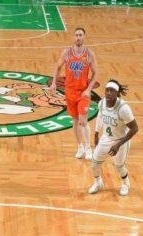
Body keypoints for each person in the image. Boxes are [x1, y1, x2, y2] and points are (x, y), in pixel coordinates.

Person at [49, 27, 98, 160]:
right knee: (75, 121)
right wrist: (54, 83)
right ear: (73, 37)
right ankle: (80, 146)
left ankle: (88, 148)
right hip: (69, 91)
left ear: (84, 37)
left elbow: (95, 74)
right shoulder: (67, 53)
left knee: (83, 120)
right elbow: (58, 67)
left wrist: (88, 89)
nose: (78, 37)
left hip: (83, 93)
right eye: (76, 35)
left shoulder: (89, 54)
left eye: (80, 35)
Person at [88, 80, 138, 196]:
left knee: (119, 167)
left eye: (112, 91)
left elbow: (135, 129)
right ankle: (98, 182)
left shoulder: (123, 108)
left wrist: (118, 145)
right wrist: (96, 133)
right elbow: (100, 116)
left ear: (117, 94)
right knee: (94, 164)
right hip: (106, 138)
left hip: (120, 140)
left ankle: (125, 183)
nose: (109, 93)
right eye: (107, 90)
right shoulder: (102, 103)